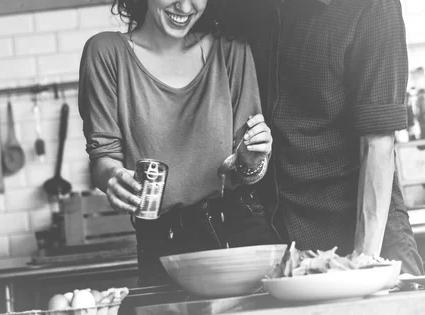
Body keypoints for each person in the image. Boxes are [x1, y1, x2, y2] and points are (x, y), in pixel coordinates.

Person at [78, 0, 281, 286]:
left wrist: (252, 160)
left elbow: (246, 172)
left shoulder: (231, 49)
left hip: (241, 234)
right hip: (162, 242)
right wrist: (113, 176)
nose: (185, 6)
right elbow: (103, 157)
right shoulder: (106, 52)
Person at [225, 0, 424, 275]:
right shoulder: (245, 8)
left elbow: (378, 141)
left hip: (364, 231)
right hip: (275, 237)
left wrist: (363, 260)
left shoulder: (373, 4)